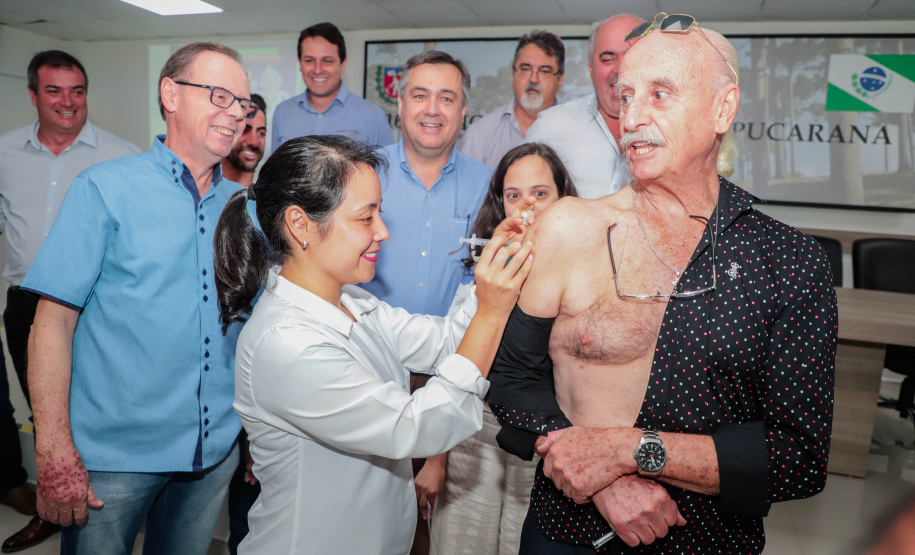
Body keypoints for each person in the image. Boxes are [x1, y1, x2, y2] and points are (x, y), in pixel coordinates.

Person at [487, 15, 838, 554]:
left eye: (660, 93)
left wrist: (631, 451)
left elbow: (799, 458)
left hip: (706, 539)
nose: (631, 117)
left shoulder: (789, 261)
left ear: (723, 108)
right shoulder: (569, 227)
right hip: (566, 532)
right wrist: (602, 479)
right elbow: (511, 374)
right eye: (625, 95)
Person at [212, 134, 534, 554]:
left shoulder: (352, 301)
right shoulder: (286, 343)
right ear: (300, 225)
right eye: (366, 218)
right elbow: (413, 427)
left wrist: (495, 266)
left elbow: (446, 342)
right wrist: (491, 312)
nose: (382, 231)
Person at [22, 42, 258, 554]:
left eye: (242, 103)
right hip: (114, 459)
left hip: (212, 453)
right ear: (170, 94)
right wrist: (53, 447)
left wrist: (256, 434)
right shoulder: (104, 189)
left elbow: (252, 334)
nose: (236, 114)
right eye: (219, 96)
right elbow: (52, 325)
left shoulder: (243, 210)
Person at [0, 49, 140, 553]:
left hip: (94, 309)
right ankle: (54, 508)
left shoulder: (122, 156)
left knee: (93, 414)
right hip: (25, 305)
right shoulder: (4, 152)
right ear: (33, 95)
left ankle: (106, 508)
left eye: (77, 91)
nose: (67, 102)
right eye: (54, 91)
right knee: (45, 414)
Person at [360, 51, 493, 553]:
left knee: (425, 529)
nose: (432, 109)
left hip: (449, 375)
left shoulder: (488, 187)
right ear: (400, 104)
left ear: (463, 110)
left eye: (446, 97)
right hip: (368, 367)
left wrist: (439, 451)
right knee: (362, 518)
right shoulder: (362, 175)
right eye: (420, 95)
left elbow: (487, 302)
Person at [431, 143, 577, 555]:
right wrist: (436, 457)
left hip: (546, 438)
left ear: (564, 198)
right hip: (476, 430)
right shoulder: (484, 265)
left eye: (540, 193)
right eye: (513, 195)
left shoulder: (588, 269)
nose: (526, 205)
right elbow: (453, 358)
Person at [524, 14, 644, 199]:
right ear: (590, 67)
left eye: (633, 57)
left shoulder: (673, 129)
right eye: (608, 59)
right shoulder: (548, 127)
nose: (620, 69)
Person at [271, 22, 393, 153]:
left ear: (343, 64)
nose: (317, 70)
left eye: (327, 61)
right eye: (309, 60)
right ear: (300, 63)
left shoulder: (372, 116)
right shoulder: (282, 112)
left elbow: (388, 165)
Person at [459, 31, 565, 169]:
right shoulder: (479, 134)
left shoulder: (574, 133)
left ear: (560, 80)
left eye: (544, 71)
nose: (533, 79)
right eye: (525, 69)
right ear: (514, 72)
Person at [222, 93, 267, 188]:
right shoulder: (202, 190)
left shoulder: (269, 194)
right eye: (245, 130)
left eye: (261, 133)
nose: (254, 142)